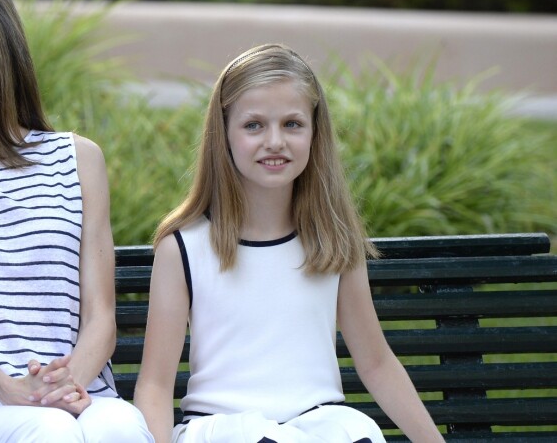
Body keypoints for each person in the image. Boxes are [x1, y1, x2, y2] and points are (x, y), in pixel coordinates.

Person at [134, 43, 444, 442]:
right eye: (254, 125)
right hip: (224, 428)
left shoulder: (334, 240)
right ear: (223, 133)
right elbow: (155, 385)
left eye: (292, 124)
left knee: (357, 433)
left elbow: (377, 364)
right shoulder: (184, 247)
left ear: (316, 133)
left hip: (317, 423)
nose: (275, 141)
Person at [0, 0, 153, 443]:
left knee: (121, 428)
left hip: (80, 392)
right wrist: (14, 391)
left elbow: (100, 315)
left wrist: (66, 382)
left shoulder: (76, 159)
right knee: (49, 430)